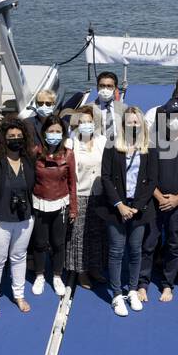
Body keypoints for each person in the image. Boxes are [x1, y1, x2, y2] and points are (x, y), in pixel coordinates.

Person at [99, 105, 157, 317]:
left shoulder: (149, 148)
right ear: (123, 123)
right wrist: (120, 205)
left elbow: (152, 180)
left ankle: (132, 290)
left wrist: (137, 206)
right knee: (116, 251)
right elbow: (105, 177)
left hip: (139, 209)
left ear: (141, 123)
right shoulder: (112, 146)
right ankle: (116, 294)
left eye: (136, 121)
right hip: (117, 209)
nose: (133, 124)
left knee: (135, 251)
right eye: (129, 121)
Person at [0, 116, 36, 318]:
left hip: (24, 219)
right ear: (4, 138)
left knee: (19, 258)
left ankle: (19, 295)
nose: (16, 139)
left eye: (19, 136)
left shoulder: (28, 161)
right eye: (11, 136)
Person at [137, 98, 178, 303]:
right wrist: (160, 197)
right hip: (155, 201)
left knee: (173, 243)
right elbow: (146, 173)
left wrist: (177, 198)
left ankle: (168, 284)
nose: (174, 120)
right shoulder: (153, 141)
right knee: (149, 241)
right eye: (170, 116)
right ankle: (142, 283)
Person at [28, 116, 78, 297]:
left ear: (63, 134)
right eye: (51, 131)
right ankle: (40, 275)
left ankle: (57, 276)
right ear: (44, 133)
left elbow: (72, 182)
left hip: (61, 205)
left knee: (58, 243)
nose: (54, 135)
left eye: (58, 132)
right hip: (40, 204)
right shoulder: (35, 152)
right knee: (40, 243)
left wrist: (73, 207)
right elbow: (29, 178)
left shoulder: (68, 154)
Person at [66, 105, 105, 289]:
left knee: (97, 233)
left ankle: (95, 268)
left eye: (89, 121)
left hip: (99, 194)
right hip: (79, 194)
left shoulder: (103, 141)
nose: (86, 125)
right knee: (78, 235)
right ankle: (81, 271)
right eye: (82, 122)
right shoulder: (71, 143)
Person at [92, 70, 122, 145]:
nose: (105, 89)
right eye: (102, 86)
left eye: (109, 86)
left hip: (118, 148)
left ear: (115, 88)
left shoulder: (123, 108)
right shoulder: (88, 108)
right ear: (97, 87)